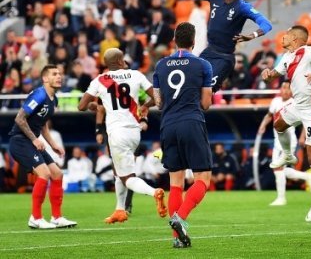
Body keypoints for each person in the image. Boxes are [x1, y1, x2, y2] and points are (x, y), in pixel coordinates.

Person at [78, 48, 166, 224]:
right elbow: (159, 99)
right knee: (118, 171)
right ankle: (120, 209)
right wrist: (146, 105)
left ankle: (154, 192)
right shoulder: (136, 75)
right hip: (134, 132)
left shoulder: (100, 80)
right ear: (120, 61)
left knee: (127, 178)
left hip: (117, 133)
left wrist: (94, 106)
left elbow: (81, 106)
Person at [152, 22, 214, 249]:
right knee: (203, 179)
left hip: (168, 124)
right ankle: (181, 217)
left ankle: (177, 239)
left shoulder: (160, 65)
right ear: (193, 41)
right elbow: (206, 103)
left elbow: (158, 103)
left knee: (175, 182)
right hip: (192, 121)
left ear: (174, 40)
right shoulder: (203, 65)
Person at [261, 25, 311, 222]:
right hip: (298, 104)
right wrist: (268, 74)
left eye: (286, 35)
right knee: (278, 124)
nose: (282, 38)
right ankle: (288, 155)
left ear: (296, 39)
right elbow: (276, 73)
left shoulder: (310, 51)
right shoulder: (288, 57)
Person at [176, 0, 273, 92]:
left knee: (206, 90)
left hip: (224, 58)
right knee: (190, 83)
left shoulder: (243, 7)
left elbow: (266, 24)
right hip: (208, 51)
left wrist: (253, 35)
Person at [8, 64, 77, 229]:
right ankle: (35, 217)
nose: (59, 76)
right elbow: (19, 118)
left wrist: (53, 145)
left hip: (31, 141)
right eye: (54, 74)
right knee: (45, 173)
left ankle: (57, 217)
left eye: (60, 74)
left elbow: (43, 124)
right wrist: (34, 139)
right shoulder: (39, 95)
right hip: (19, 141)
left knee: (57, 174)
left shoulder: (55, 99)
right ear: (45, 78)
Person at [257, 81, 311, 206]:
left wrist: (303, 136)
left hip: (288, 141)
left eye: (288, 88)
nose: (286, 90)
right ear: (280, 89)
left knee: (278, 168)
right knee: (279, 169)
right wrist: (262, 126)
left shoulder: (294, 102)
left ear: (292, 90)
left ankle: (281, 198)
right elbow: (269, 115)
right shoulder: (276, 101)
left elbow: (305, 120)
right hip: (277, 140)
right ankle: (308, 177)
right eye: (283, 87)